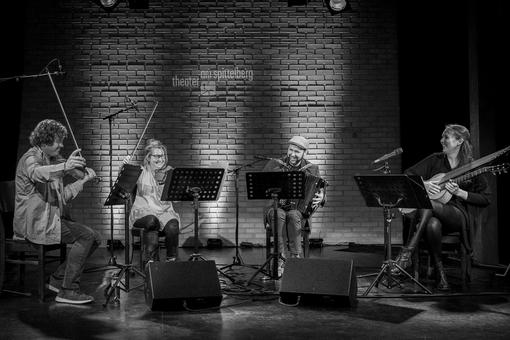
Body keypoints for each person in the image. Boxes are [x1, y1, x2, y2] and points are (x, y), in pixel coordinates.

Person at [13, 119, 101, 304]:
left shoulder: (52, 162)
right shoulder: (30, 159)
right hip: (34, 223)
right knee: (86, 236)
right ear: (44, 141)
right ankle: (68, 290)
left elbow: (63, 197)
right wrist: (66, 167)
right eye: (58, 141)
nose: (62, 145)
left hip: (50, 219)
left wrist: (83, 180)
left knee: (95, 238)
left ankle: (58, 279)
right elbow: (37, 173)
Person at [395, 124, 491, 290]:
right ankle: (441, 275)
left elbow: (485, 198)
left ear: (459, 141)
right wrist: (424, 184)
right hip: (432, 216)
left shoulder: (471, 166)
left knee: (429, 203)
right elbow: (408, 174)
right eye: (442, 137)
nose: (442, 141)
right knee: (432, 224)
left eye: (446, 137)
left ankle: (407, 251)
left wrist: (461, 193)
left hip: (458, 215)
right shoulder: (436, 159)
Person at [263, 136, 325, 275]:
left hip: (297, 211)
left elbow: (319, 190)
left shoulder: (312, 169)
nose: (292, 154)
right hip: (275, 207)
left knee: (292, 214)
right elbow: (262, 186)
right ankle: (280, 258)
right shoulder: (275, 164)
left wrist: (322, 196)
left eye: (297, 152)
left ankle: (296, 259)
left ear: (305, 153)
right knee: (278, 213)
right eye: (290, 150)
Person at [125, 139, 180, 264]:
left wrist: (170, 185)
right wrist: (125, 167)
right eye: (156, 156)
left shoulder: (169, 173)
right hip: (143, 213)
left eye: (162, 156)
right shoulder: (141, 171)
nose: (160, 159)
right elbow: (125, 183)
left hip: (165, 213)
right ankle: (150, 263)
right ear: (148, 158)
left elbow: (175, 201)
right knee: (151, 221)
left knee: (173, 225)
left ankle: (171, 260)